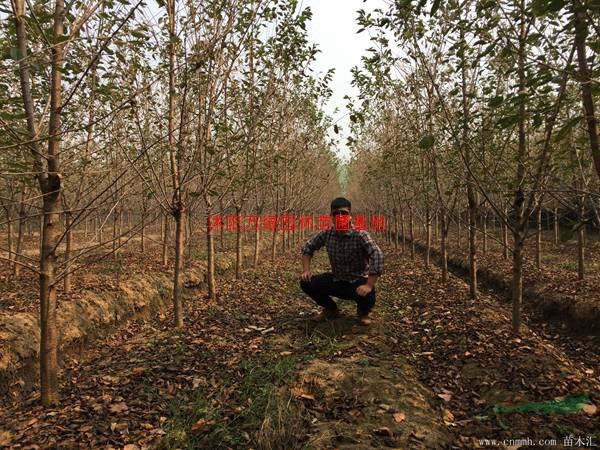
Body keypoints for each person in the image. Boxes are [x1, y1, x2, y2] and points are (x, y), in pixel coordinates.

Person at [299, 197, 384, 326]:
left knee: (368, 294)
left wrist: (369, 285)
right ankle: (331, 309)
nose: (340, 216)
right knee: (306, 283)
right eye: (336, 213)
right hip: (337, 280)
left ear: (350, 216)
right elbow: (308, 248)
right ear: (331, 216)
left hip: (358, 281)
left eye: (344, 213)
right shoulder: (327, 234)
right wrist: (306, 270)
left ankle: (363, 311)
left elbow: (377, 254)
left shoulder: (360, 235)